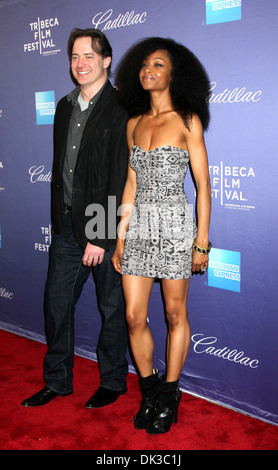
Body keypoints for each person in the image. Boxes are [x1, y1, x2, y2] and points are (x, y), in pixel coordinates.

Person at [22, 28, 129, 408]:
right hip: (67, 225)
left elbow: (119, 174)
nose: (80, 64)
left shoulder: (121, 108)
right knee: (56, 303)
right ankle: (57, 381)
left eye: (88, 56)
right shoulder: (65, 106)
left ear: (106, 60)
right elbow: (63, 169)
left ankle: (114, 382)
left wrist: (100, 236)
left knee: (112, 307)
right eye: (74, 57)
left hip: (106, 228)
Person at [112, 37, 211, 434]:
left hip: (174, 226)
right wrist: (119, 236)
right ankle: (150, 390)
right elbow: (131, 185)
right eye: (144, 65)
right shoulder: (134, 123)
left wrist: (201, 242)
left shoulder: (187, 120)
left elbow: (203, 185)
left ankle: (171, 394)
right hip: (137, 230)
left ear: (174, 73)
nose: (148, 71)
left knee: (174, 315)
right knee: (134, 317)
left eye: (158, 65)